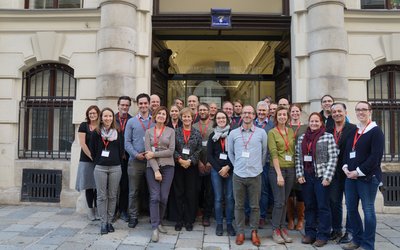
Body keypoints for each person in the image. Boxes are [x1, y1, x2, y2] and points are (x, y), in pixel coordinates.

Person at [341, 101, 384, 250]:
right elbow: (347, 151)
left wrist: (358, 171)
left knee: (368, 210)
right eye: (358, 110)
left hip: (367, 178)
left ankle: (368, 244)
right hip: (350, 178)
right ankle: (357, 240)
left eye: (364, 109)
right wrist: (345, 167)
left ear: (370, 111)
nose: (361, 112)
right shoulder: (354, 130)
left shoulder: (376, 131)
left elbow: (375, 157)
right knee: (351, 209)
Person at [295, 112, 338, 247]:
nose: (314, 123)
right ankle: (310, 233)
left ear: (321, 123)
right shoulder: (302, 138)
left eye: (316, 121)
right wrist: (299, 174)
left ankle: (323, 235)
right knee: (309, 206)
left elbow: (333, 158)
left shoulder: (327, 137)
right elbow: (298, 157)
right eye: (312, 121)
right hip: (306, 177)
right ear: (309, 122)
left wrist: (328, 177)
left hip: (321, 177)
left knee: (323, 206)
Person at [228, 105, 267, 247]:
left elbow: (264, 153)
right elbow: (230, 153)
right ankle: (240, 232)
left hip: (255, 174)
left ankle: (254, 232)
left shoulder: (261, 133)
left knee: (255, 206)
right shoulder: (233, 133)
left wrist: (257, 166)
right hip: (238, 174)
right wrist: (237, 165)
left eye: (250, 113)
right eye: (245, 113)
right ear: (241, 115)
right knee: (238, 205)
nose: (247, 115)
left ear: (254, 115)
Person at [90, 107, 124, 234]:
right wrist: (99, 160)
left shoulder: (118, 132)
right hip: (100, 168)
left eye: (110, 116)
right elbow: (92, 150)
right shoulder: (96, 133)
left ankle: (110, 221)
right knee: (101, 196)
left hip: (115, 167)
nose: (108, 118)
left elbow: (121, 150)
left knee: (113, 195)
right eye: (105, 116)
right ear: (101, 118)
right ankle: (103, 222)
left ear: (113, 118)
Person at [144, 106, 175, 242]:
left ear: (166, 118)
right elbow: (147, 153)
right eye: (159, 113)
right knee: (154, 197)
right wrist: (156, 170)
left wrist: (155, 153)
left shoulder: (171, 131)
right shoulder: (148, 132)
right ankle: (155, 227)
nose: (161, 116)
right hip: (151, 167)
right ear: (155, 116)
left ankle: (160, 221)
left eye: (164, 114)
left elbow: (171, 151)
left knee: (163, 197)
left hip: (168, 166)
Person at [327, 103, 357, 243]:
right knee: (334, 201)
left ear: (345, 112)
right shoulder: (328, 129)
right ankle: (336, 229)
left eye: (339, 111)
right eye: (334, 111)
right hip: (333, 171)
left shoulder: (353, 129)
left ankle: (350, 232)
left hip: (348, 171)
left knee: (351, 203)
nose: (337, 113)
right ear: (331, 114)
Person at [125, 93, 155, 228]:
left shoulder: (155, 120)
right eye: (140, 103)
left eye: (145, 103)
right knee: (133, 191)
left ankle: (152, 216)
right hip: (135, 161)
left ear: (149, 104)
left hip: (152, 161)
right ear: (137, 105)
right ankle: (133, 216)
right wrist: (136, 154)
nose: (143, 105)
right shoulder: (131, 122)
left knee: (152, 190)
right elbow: (127, 142)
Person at [268, 106, 296, 244]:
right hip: (277, 170)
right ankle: (275, 230)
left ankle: (283, 228)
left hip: (290, 170)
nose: (282, 117)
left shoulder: (291, 132)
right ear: (276, 117)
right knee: (279, 202)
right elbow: (273, 153)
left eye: (285, 114)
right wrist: (279, 174)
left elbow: (293, 151)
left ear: (287, 116)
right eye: (280, 115)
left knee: (285, 201)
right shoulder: (272, 133)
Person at [173, 107, 202, 231]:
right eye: (184, 116)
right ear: (181, 118)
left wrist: (189, 161)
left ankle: (189, 220)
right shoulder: (176, 132)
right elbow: (172, 148)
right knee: (179, 194)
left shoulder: (197, 133)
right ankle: (179, 220)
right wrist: (180, 160)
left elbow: (199, 149)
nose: (186, 118)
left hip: (191, 167)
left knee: (191, 194)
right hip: (179, 166)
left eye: (189, 116)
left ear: (192, 118)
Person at [207, 110, 235, 236]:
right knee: (218, 198)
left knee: (229, 198)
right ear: (215, 120)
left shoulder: (233, 134)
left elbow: (236, 153)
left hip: (231, 169)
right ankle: (219, 224)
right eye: (219, 118)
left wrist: (228, 167)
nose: (221, 120)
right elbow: (209, 156)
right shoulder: (212, 136)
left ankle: (229, 224)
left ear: (227, 119)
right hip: (216, 170)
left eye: (223, 118)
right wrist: (220, 169)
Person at [76, 105, 100, 221]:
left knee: (98, 186)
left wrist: (97, 158)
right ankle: (90, 210)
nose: (92, 115)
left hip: (99, 160)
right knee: (89, 186)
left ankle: (98, 210)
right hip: (86, 160)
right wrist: (92, 156)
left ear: (98, 114)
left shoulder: (101, 126)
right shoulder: (83, 125)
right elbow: (83, 144)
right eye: (90, 113)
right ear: (87, 115)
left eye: (94, 113)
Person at [193, 103, 214, 227]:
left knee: (209, 191)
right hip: (197, 163)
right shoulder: (194, 126)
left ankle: (207, 215)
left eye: (204, 110)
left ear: (209, 111)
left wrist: (210, 161)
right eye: (200, 110)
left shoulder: (214, 125)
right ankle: (198, 210)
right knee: (197, 190)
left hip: (211, 163)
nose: (202, 112)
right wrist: (199, 162)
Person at [253, 101, 274, 228]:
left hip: (265, 162)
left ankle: (262, 216)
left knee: (264, 190)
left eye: (263, 111)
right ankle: (250, 214)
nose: (261, 113)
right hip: (252, 162)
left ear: (267, 112)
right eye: (259, 110)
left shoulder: (272, 125)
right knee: (251, 190)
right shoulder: (250, 124)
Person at [286, 103, 307, 231]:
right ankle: (290, 219)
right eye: (292, 112)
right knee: (288, 192)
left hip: (301, 163)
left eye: (297, 111)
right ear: (289, 113)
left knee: (300, 192)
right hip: (287, 162)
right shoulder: (285, 127)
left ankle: (300, 219)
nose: (295, 114)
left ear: (300, 112)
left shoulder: (306, 127)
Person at [114, 96, 132, 222]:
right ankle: (113, 211)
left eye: (127, 105)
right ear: (118, 105)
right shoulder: (111, 118)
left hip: (127, 158)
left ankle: (123, 210)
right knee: (113, 186)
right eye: (122, 105)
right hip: (113, 158)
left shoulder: (132, 120)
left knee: (125, 186)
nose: (124, 107)